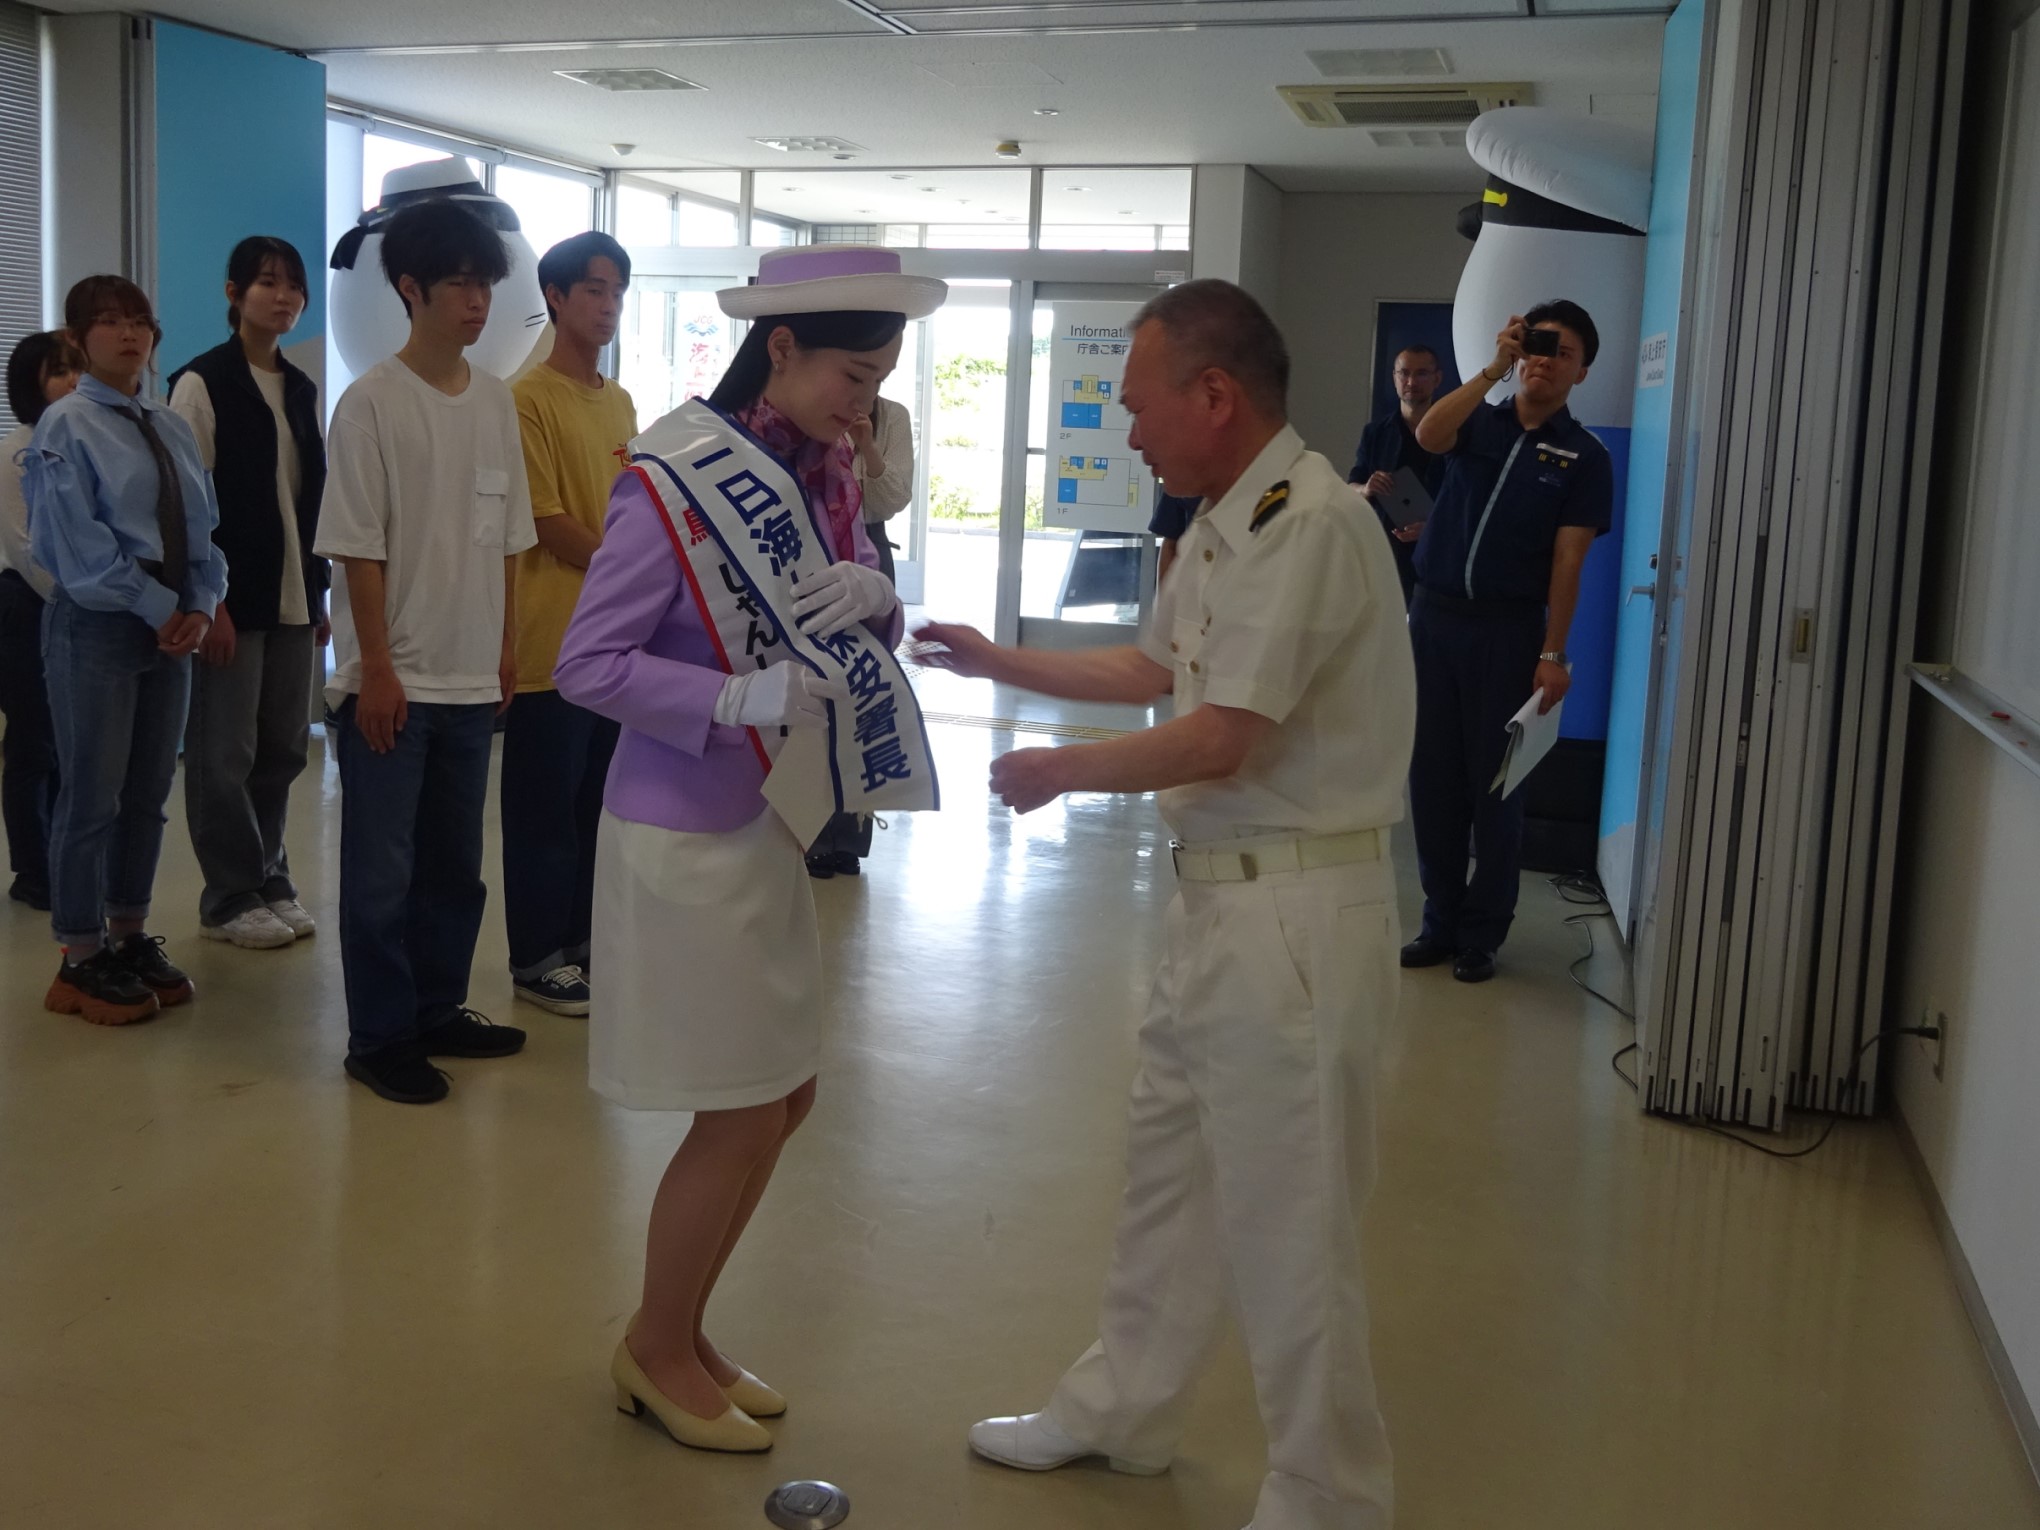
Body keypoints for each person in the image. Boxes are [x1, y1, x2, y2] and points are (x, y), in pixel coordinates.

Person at [916, 278, 1414, 1530]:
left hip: (1296, 916)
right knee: (1168, 1188)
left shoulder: (1308, 525)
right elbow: (1157, 669)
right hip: (1217, 913)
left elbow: (1225, 736)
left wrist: (1057, 771)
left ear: (1215, 395)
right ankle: (1124, 1408)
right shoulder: (1224, 522)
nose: (1129, 430)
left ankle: (1328, 1492)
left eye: (1141, 406)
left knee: (1292, 1223)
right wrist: (995, 658)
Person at [556, 245, 940, 1455]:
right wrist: (728, 699)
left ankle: (682, 1326)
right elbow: (589, 664)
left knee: (785, 1094)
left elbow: (856, 593)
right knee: (736, 1108)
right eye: (848, 371)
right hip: (683, 832)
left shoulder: (820, 471)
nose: (862, 400)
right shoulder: (673, 477)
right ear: (780, 350)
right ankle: (656, 1346)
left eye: (879, 377)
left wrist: (874, 596)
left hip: (774, 818)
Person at [314, 200, 538, 1104]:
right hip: (394, 682)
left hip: (472, 676)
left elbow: (509, 538)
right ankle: (379, 1037)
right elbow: (356, 549)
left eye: (485, 284)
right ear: (410, 290)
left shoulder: (493, 404)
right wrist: (375, 668)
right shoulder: (370, 406)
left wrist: (507, 650)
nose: (477, 301)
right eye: (459, 284)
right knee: (380, 876)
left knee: (454, 867)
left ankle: (439, 1008)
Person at [25, 277, 227, 1025]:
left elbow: (205, 528)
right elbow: (75, 551)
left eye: (139, 320)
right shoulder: (66, 426)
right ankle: (78, 956)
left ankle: (128, 935)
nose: (128, 334)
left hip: (172, 620)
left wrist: (202, 604)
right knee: (91, 796)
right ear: (78, 340)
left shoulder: (167, 423)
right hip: (101, 623)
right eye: (107, 323)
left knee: (146, 795)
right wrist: (162, 608)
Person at [1402, 300, 1613, 984]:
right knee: (1431, 781)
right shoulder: (1478, 421)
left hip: (1507, 632)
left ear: (1583, 372)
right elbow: (1429, 437)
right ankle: (1439, 922)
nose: (1546, 359)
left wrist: (1553, 653)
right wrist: (1492, 366)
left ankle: (1481, 934)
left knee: (1496, 788)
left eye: (1565, 352)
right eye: (1539, 344)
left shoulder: (1584, 458)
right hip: (1433, 622)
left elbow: (1569, 562)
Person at [167, 236, 329, 950]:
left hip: (294, 595)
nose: (284, 296)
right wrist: (212, 603)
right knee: (221, 755)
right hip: (233, 600)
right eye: (267, 283)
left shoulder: (300, 386)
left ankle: (269, 876)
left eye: (293, 285)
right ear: (233, 293)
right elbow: (185, 506)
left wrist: (319, 593)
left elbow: (312, 497)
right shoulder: (201, 382)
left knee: (282, 751)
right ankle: (228, 895)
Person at [500, 231, 636, 1014]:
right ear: (555, 297)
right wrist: (632, 573)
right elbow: (548, 520)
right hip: (554, 639)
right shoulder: (526, 399)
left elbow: (634, 512)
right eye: (593, 288)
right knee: (543, 809)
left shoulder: (618, 401)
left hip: (616, 645)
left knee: (599, 804)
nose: (608, 303)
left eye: (616, 289)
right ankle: (536, 957)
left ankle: (584, 942)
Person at [805, 391, 915, 879]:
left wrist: (867, 447)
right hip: (815, 554)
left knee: (865, 694)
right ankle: (809, 832)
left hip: (869, 556)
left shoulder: (892, 416)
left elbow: (890, 500)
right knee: (816, 692)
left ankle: (849, 836)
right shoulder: (808, 406)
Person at [1, 332, 83, 911]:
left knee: (64, 743)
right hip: (25, 607)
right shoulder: (16, 451)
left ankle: (62, 859)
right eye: (60, 372)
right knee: (33, 744)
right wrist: (80, 600)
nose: (74, 381)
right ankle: (34, 872)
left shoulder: (82, 445)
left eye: (78, 369)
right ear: (32, 383)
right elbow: (25, 548)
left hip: (72, 604)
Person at [1348, 344, 1448, 606]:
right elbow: (1351, 485)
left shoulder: (1456, 431)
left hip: (1441, 556)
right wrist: (1366, 488)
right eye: (1404, 373)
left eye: (1422, 373)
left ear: (1437, 378)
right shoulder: (1375, 433)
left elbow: (1469, 498)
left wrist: (1433, 530)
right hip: (1385, 557)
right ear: (1394, 378)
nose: (1411, 381)